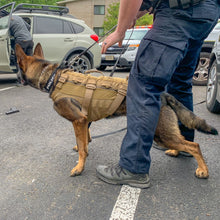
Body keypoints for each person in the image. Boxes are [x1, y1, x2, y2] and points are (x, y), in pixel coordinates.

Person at [96, 0, 220, 188]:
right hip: (206, 13)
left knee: (144, 84)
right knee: (180, 82)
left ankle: (133, 167)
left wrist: (120, 30)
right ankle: (183, 143)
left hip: (179, 13)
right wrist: (134, 15)